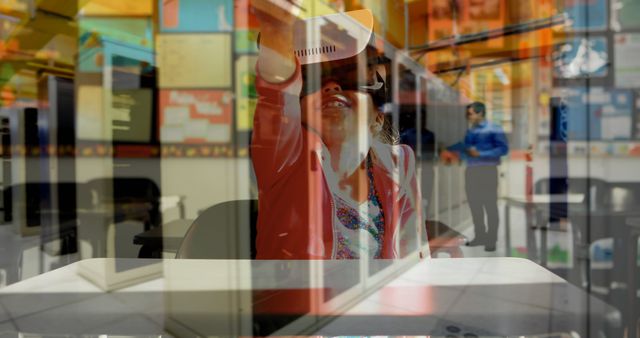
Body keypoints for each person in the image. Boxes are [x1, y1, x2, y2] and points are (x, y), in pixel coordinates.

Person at [250, 0, 424, 259]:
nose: (332, 87)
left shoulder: (400, 164)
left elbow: (415, 253)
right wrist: (276, 25)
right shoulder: (288, 160)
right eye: (313, 82)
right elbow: (277, 90)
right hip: (302, 298)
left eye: (350, 80)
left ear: (377, 118)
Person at [445, 102, 508, 252]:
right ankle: (480, 236)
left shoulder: (494, 129)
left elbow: (503, 149)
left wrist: (481, 154)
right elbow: (466, 149)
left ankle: (491, 240)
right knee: (475, 205)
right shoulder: (470, 131)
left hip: (488, 171)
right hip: (472, 171)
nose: (469, 116)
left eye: (471, 113)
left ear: (480, 113)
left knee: (490, 205)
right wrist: (453, 153)